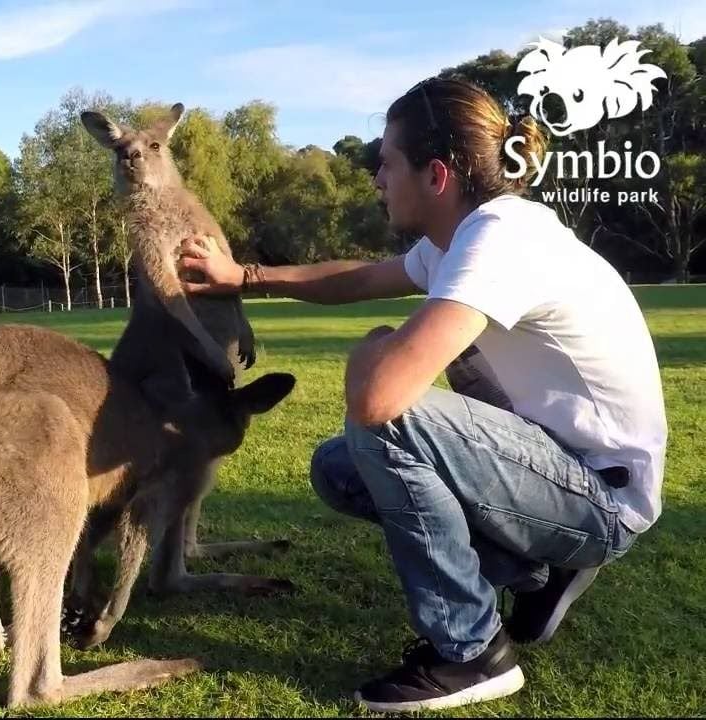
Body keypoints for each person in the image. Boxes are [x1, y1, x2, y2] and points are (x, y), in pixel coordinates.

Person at [177, 76, 667, 712]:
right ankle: (538, 570)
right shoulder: (460, 240)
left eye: (387, 163)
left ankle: (471, 652)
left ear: (436, 175)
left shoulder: (500, 240)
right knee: (339, 468)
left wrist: (376, 345)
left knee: (389, 420)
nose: (376, 179)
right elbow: (359, 278)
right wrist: (243, 276)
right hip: (561, 469)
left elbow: (380, 400)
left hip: (601, 497)